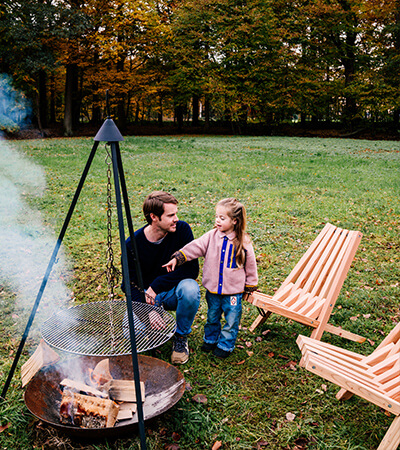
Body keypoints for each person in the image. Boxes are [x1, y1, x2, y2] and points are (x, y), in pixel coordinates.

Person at [163, 197, 258, 359]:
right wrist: (180, 257)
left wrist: (251, 284)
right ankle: (211, 339)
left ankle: (225, 345)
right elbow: (196, 247)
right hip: (213, 290)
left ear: (234, 221)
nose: (217, 221)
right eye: (216, 217)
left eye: (222, 218)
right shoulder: (211, 236)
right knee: (212, 316)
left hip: (233, 293)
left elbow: (251, 265)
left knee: (231, 319)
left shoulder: (243, 241)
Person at [123, 191, 200, 365]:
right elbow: (128, 285)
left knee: (190, 288)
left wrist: (156, 286)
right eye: (171, 215)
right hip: (146, 297)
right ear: (154, 217)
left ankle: (180, 336)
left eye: (176, 213)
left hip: (172, 292)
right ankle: (157, 319)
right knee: (132, 334)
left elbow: (192, 270)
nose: (176, 219)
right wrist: (147, 309)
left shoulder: (182, 230)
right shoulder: (132, 244)